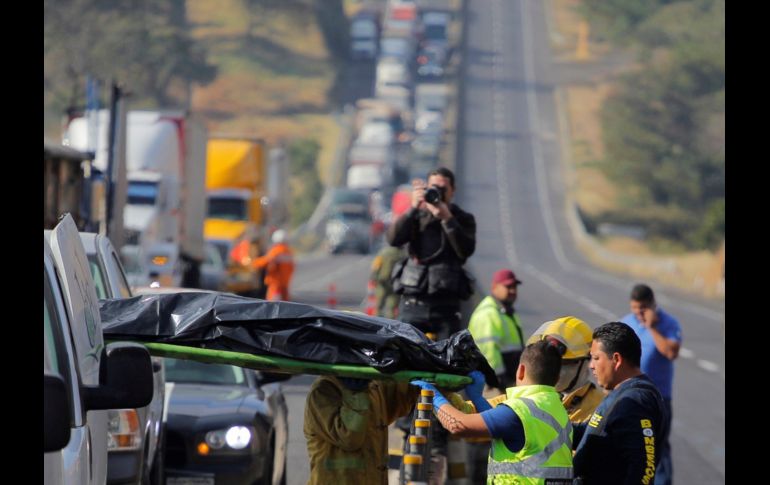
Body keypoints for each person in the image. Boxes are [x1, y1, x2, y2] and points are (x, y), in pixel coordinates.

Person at [386, 166, 476, 339]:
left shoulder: (463, 218)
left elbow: (465, 250)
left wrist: (447, 219)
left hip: (446, 306)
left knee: (448, 359)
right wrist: (412, 208)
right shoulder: (417, 215)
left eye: (443, 189)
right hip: (413, 301)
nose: (438, 193)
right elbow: (393, 239)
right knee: (405, 353)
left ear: (453, 191)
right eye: (434, 188)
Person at [573, 322, 668, 485]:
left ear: (616, 359)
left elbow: (644, 467)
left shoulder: (636, 401)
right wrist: (555, 426)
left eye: (596, 358)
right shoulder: (621, 394)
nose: (591, 366)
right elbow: (594, 432)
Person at [303, 375, 419, 485]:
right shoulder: (323, 392)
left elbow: (399, 396)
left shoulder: (371, 387)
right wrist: (356, 393)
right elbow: (349, 437)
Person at [620, 284, 681, 485]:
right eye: (635, 308)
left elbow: (671, 353)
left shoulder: (668, 324)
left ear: (653, 305)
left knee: (658, 449)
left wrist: (651, 327)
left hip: (659, 398)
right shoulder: (627, 323)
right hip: (630, 397)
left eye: (643, 308)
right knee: (630, 446)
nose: (639, 313)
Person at [526, 316, 606, 423]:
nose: (552, 370)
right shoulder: (526, 394)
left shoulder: (600, 408)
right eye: (547, 362)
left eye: (564, 364)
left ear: (585, 362)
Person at [468, 268, 525, 390]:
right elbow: (487, 350)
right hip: (492, 384)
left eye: (514, 287)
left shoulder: (505, 312)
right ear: (494, 287)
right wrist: (498, 379)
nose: (512, 291)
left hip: (505, 381)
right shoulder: (488, 313)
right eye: (508, 287)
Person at [251, 229, 295, 301]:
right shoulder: (288, 251)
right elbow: (292, 267)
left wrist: (253, 263)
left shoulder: (276, 250)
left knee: (271, 303)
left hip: (275, 282)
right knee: (286, 303)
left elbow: (266, 261)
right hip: (285, 281)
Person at [369, 244, 407, 318]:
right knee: (392, 309)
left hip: (382, 282)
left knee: (378, 307)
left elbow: (376, 266)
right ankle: (390, 326)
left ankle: (376, 324)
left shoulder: (384, 252)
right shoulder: (403, 254)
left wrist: (373, 277)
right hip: (396, 283)